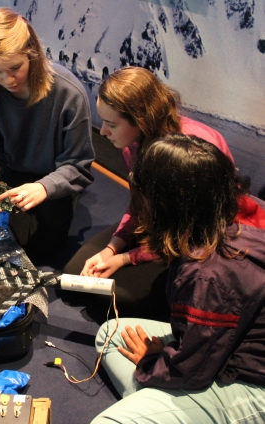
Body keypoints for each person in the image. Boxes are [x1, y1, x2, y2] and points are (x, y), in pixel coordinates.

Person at [91, 134, 265, 423]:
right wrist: (169, 358)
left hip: (252, 381)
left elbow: (192, 371)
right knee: (110, 335)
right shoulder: (223, 233)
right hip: (227, 351)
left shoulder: (207, 273)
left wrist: (155, 362)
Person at [63, 66, 235, 321]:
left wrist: (126, 259)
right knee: (76, 277)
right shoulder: (132, 142)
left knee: (122, 298)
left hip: (195, 239)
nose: (103, 133)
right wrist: (112, 248)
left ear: (141, 119)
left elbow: (190, 235)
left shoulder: (186, 156)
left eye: (111, 124)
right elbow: (139, 205)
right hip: (157, 224)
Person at [0, 7, 95, 261]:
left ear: (32, 54)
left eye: (15, 67)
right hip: (11, 174)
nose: (8, 79)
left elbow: (78, 165)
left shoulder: (68, 93)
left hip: (54, 179)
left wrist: (45, 187)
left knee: (39, 250)